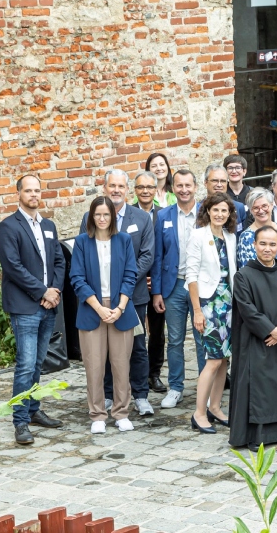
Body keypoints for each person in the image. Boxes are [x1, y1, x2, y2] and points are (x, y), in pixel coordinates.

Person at [78, 170, 156, 417]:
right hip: (98, 301)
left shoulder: (141, 218)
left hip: (133, 297)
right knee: (102, 354)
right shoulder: (88, 219)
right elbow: (82, 260)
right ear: (105, 188)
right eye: (112, 185)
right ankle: (107, 397)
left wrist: (124, 284)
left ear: (127, 189)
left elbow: (146, 256)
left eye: (121, 186)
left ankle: (140, 395)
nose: (116, 190)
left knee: (136, 348)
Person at [0, 175, 66, 444]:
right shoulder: (7, 228)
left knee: (39, 363)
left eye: (37, 190)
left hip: (49, 304)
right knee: (25, 365)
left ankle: (34, 410)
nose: (34, 195)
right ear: (19, 194)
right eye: (29, 191)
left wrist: (55, 291)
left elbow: (59, 261)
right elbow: (13, 267)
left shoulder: (48, 225)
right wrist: (42, 291)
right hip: (25, 306)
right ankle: (20, 421)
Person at [227, 224, 277, 448]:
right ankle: (258, 435)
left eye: (272, 244)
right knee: (258, 390)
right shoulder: (243, 276)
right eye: (263, 244)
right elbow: (247, 309)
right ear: (254, 245)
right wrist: (271, 330)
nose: (267, 248)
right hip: (256, 342)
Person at [70, 196, 139, 434]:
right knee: (94, 366)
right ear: (91, 216)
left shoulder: (124, 240)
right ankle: (97, 414)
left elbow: (131, 274)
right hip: (92, 309)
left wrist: (119, 308)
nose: (101, 218)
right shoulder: (81, 242)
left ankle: (121, 413)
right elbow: (76, 278)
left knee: (121, 365)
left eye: (106, 214)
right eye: (97, 214)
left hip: (121, 308)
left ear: (112, 217)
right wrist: (99, 308)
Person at [184, 194, 239, 435]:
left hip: (228, 303)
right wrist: (197, 310)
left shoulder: (230, 237)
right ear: (207, 211)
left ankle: (216, 407)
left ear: (229, 214)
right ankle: (199, 413)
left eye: (224, 211)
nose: (219, 214)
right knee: (213, 359)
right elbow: (191, 275)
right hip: (208, 304)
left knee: (225, 359)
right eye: (215, 210)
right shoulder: (198, 235)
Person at [150, 169, 201, 409]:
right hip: (174, 287)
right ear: (174, 188)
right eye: (179, 185)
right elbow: (158, 256)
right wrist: (157, 292)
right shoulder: (163, 216)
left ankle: (206, 386)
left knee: (203, 339)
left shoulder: (206, 213)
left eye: (188, 185)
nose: (183, 190)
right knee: (175, 340)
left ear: (195, 187)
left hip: (202, 287)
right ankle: (175, 387)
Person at [133, 170, 168, 394]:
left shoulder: (164, 214)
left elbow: (167, 250)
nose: (145, 191)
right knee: (136, 332)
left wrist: (155, 281)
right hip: (135, 282)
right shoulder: (125, 214)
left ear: (156, 190)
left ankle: (153, 374)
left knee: (157, 332)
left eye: (149, 187)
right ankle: (135, 373)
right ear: (134, 190)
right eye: (140, 187)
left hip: (157, 284)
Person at [202, 164, 247, 233]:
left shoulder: (238, 207)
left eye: (223, 181)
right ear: (205, 183)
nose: (219, 185)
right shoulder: (198, 208)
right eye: (215, 181)